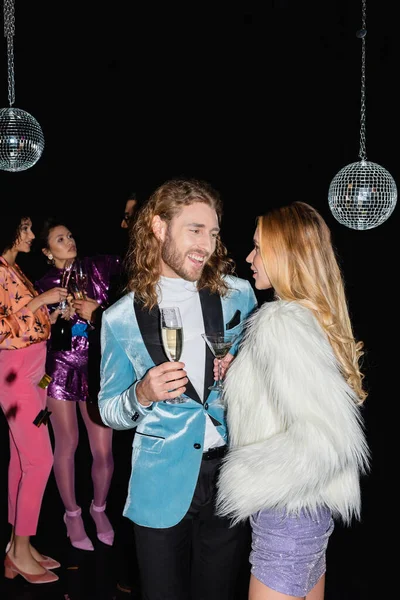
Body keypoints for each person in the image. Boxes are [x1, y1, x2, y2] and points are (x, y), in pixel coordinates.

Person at [98, 177, 258, 600]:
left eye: (214, 232)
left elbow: (261, 373)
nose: (207, 244)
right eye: (195, 229)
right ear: (158, 227)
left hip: (229, 475)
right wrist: (141, 395)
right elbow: (108, 409)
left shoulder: (238, 295)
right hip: (160, 480)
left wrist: (244, 368)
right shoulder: (119, 318)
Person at [215, 201, 370, 600]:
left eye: (258, 248)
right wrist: (242, 374)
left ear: (287, 254)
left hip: (286, 515)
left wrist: (245, 478)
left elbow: (324, 439)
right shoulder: (314, 316)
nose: (248, 258)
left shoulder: (280, 322)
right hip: (311, 512)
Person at [35, 217, 121, 551]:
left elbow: (133, 266)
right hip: (58, 368)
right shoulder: (42, 283)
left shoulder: (97, 267)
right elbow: (31, 331)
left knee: (103, 450)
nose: (69, 241)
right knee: (67, 442)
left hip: (97, 367)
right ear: (47, 251)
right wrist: (53, 317)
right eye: (59, 239)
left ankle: (98, 509)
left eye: (70, 235)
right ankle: (71, 514)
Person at [0, 214, 68, 584]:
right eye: (24, 228)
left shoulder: (13, 268)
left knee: (21, 460)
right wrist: (40, 300)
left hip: (33, 371)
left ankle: (17, 545)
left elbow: (23, 317)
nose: (29, 234)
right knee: (40, 460)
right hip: (13, 374)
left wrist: (51, 313)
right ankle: (21, 549)